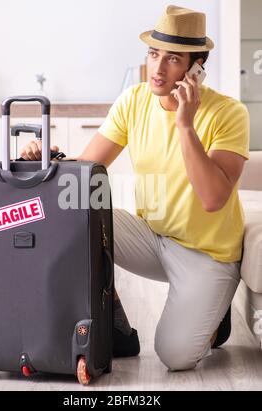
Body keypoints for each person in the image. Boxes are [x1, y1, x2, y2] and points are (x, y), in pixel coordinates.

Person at [20, 5, 249, 371]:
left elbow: (213, 198)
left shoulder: (229, 113)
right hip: (151, 236)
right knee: (76, 211)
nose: (157, 69)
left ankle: (213, 318)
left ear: (197, 68)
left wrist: (185, 125)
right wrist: (48, 158)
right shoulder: (134, 100)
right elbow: (86, 171)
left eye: (173, 59)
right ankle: (115, 324)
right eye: (154, 54)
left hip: (208, 254)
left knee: (174, 355)